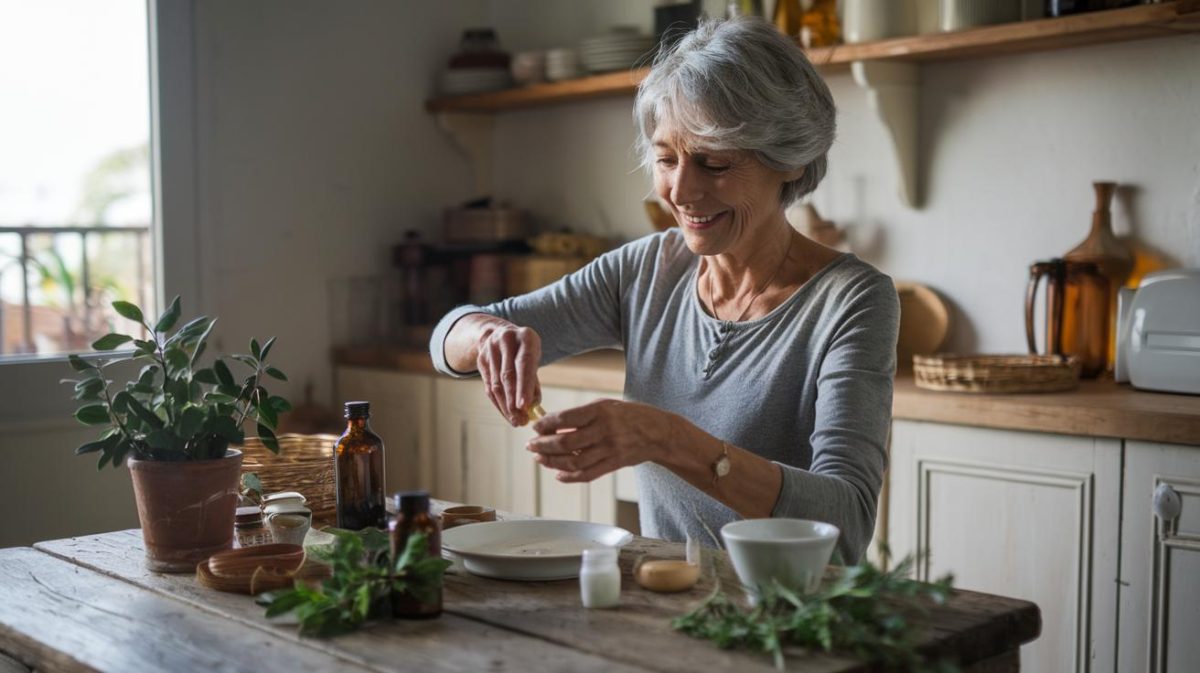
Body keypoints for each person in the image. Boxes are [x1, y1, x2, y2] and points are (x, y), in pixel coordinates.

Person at [429, 16, 898, 563]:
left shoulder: (853, 300)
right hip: (670, 603)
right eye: (666, 158)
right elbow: (447, 339)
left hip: (793, 616)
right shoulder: (646, 270)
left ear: (789, 159)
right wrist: (488, 336)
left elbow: (846, 523)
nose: (681, 191)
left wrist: (668, 440)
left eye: (714, 163)